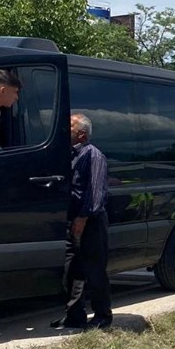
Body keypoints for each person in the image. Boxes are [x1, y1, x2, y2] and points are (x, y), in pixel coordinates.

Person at [53, 114, 112, 330]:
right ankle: (74, 316)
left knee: (95, 271)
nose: (64, 128)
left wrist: (82, 219)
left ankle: (102, 316)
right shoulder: (67, 155)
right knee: (72, 270)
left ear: (81, 134)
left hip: (90, 222)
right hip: (72, 220)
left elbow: (95, 194)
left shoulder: (93, 156)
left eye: (69, 125)